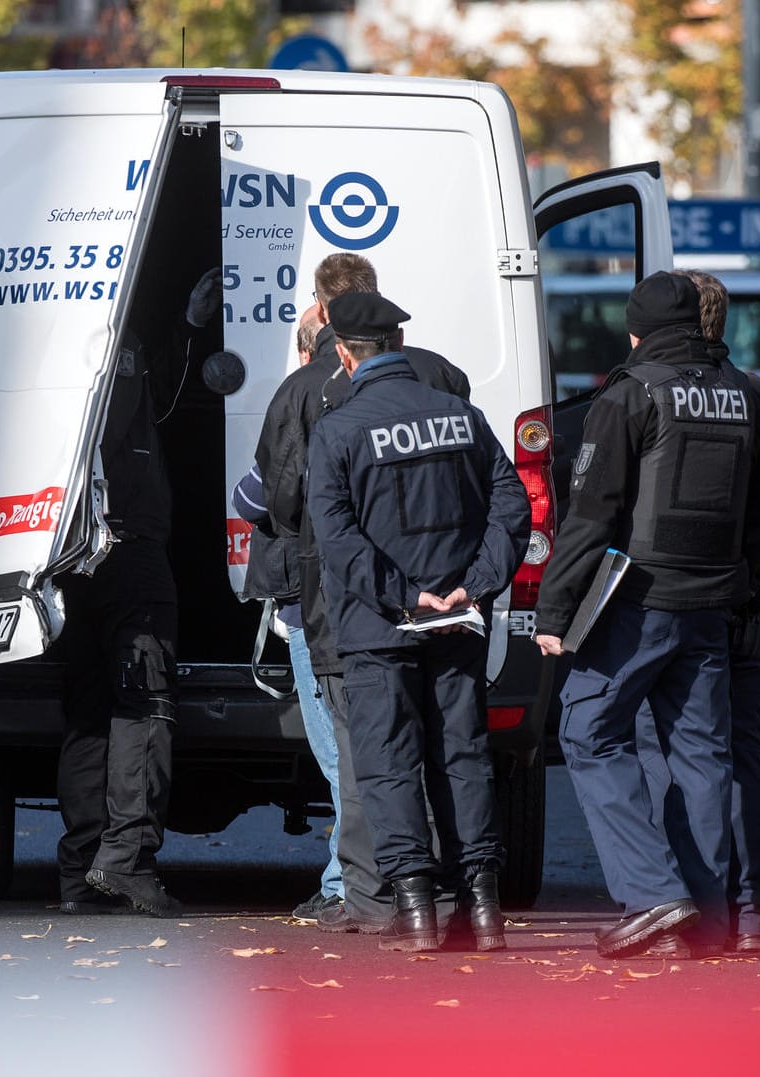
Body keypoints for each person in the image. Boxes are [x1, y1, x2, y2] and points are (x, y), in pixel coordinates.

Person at [534, 271, 760, 959]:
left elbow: (590, 517)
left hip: (637, 600)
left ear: (635, 330)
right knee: (702, 755)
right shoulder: (747, 395)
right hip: (713, 604)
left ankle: (650, 892)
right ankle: (707, 920)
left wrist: (552, 609)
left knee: (587, 730)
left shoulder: (630, 394)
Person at [255, 254, 473, 935]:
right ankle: (456, 889)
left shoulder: (306, 388)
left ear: (322, 313)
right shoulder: (441, 376)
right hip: (446, 591)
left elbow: (287, 504)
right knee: (449, 749)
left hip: (346, 603)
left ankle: (375, 894)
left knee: (361, 752)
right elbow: (482, 481)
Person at [308, 292, 530, 952]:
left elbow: (336, 539)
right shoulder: (462, 415)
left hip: (379, 627)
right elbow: (512, 509)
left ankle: (416, 913)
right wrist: (473, 584)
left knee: (388, 764)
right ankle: (481, 909)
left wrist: (403, 594)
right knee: (461, 757)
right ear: (398, 341)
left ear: (344, 353)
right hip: (455, 621)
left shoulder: (338, 430)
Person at [635, 270, 760, 954]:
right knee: (745, 758)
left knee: (672, 753)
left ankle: (691, 899)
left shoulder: (657, 393)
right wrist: (749, 563)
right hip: (748, 602)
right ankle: (752, 906)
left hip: (682, 597)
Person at [57, 320, 187, 917]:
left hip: (58, 550)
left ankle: (82, 871)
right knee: (143, 703)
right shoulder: (114, 335)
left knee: (87, 711)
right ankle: (125, 861)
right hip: (125, 544)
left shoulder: (47, 317)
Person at [233, 307, 348, 923]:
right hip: (393, 601)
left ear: (307, 351)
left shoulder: (300, 391)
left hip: (314, 601)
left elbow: (260, 496)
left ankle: (345, 884)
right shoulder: (417, 383)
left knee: (338, 754)